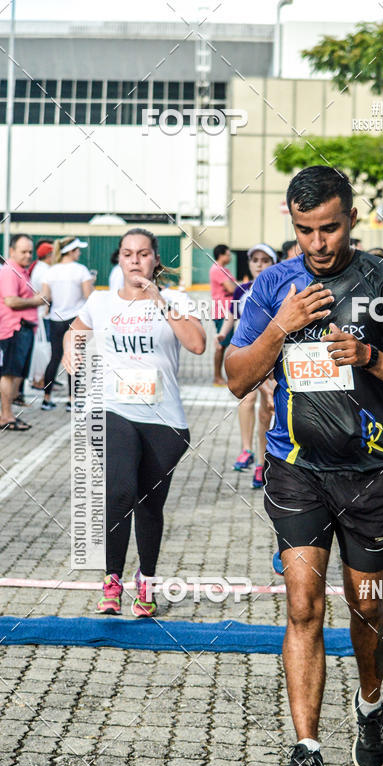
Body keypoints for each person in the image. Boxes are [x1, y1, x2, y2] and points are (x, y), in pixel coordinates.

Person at [225, 165, 383, 766]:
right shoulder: (273, 285)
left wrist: (370, 356)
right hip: (296, 472)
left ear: (351, 220)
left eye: (329, 229)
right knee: (302, 604)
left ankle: (370, 706)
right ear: (291, 225)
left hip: (372, 474)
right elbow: (237, 377)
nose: (317, 244)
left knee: (367, 604)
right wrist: (280, 327)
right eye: (304, 232)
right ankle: (306, 747)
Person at [63, 228, 206, 617]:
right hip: (113, 410)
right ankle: (111, 580)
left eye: (143, 254)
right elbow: (75, 330)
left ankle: (147, 580)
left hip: (165, 419)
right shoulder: (101, 301)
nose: (135, 261)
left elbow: (197, 344)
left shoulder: (175, 299)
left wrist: (158, 300)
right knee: (120, 491)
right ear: (119, 260)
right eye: (127, 254)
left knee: (149, 504)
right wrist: (69, 351)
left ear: (155, 260)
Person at [216, 243, 277, 487]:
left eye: (265, 260)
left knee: (266, 410)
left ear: (274, 264)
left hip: (270, 356)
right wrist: (222, 334)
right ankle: (246, 449)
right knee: (247, 398)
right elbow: (231, 315)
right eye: (255, 260)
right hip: (244, 354)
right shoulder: (242, 290)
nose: (259, 264)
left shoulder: (279, 290)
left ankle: (262, 463)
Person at [40, 237, 95, 412]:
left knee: (55, 358)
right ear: (71, 251)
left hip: (56, 319)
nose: (79, 252)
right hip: (75, 319)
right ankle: (72, 400)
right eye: (77, 250)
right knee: (75, 358)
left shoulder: (51, 271)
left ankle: (46, 398)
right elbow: (89, 296)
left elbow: (46, 297)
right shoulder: (81, 270)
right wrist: (92, 282)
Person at [0, 234, 47, 430]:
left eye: (30, 251)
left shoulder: (21, 271)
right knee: (10, 373)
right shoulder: (10, 271)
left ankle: (8, 414)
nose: (28, 255)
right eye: (23, 251)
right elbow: (11, 300)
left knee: (17, 374)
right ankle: (6, 416)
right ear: (12, 251)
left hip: (23, 328)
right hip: (14, 329)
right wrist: (36, 300)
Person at [209, 244, 236, 386]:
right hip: (222, 312)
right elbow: (232, 288)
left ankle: (220, 376)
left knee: (225, 344)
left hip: (228, 312)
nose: (230, 256)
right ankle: (217, 377)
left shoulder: (225, 270)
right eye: (228, 254)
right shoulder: (217, 269)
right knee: (221, 344)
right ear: (221, 255)